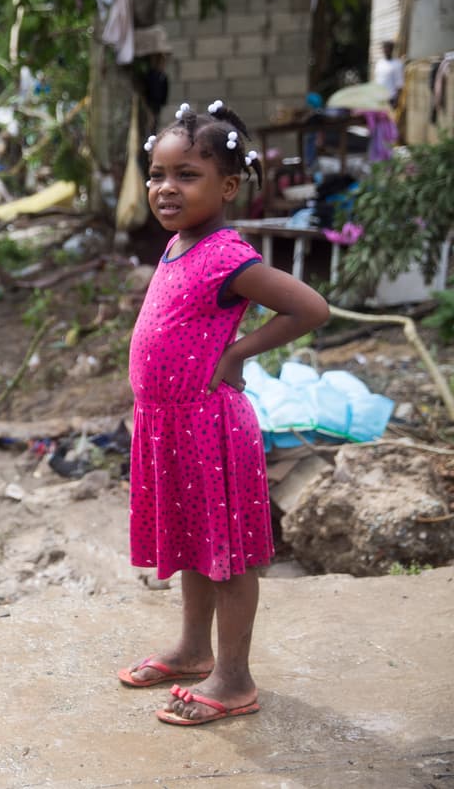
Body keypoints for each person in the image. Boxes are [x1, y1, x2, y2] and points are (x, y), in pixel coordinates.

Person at [117, 100, 330, 725]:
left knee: (228, 557)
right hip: (170, 427)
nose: (164, 188)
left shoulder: (225, 254)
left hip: (209, 426)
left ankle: (234, 679)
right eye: (157, 173)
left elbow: (310, 308)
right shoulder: (179, 244)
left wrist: (239, 351)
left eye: (187, 175)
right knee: (192, 544)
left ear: (228, 186)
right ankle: (191, 649)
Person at [373, 40, 404, 109]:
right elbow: (376, 81)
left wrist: (397, 100)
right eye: (384, 48)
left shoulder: (397, 64)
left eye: (388, 48)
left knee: (389, 119)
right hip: (379, 98)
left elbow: (399, 84)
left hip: (391, 98)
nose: (386, 50)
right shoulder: (379, 63)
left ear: (392, 49)